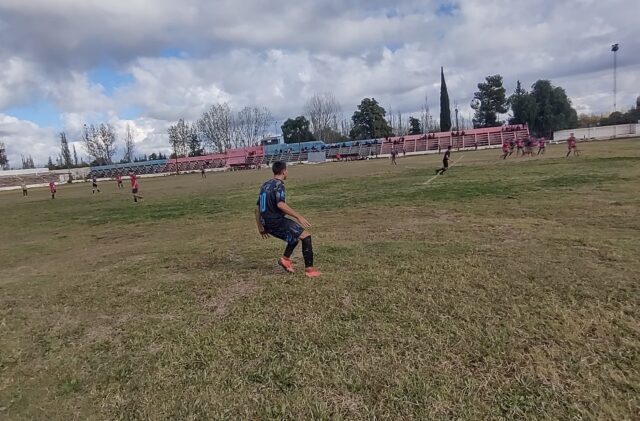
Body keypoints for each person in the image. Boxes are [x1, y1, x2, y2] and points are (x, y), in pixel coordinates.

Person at [255, 161, 321, 278]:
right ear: (284, 171)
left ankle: (285, 260)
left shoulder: (265, 185)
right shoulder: (279, 185)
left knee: (293, 239)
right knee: (306, 236)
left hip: (267, 223)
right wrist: (298, 216)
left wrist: (260, 227)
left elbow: (257, 208)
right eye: (287, 170)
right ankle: (310, 271)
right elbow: (281, 204)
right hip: (275, 221)